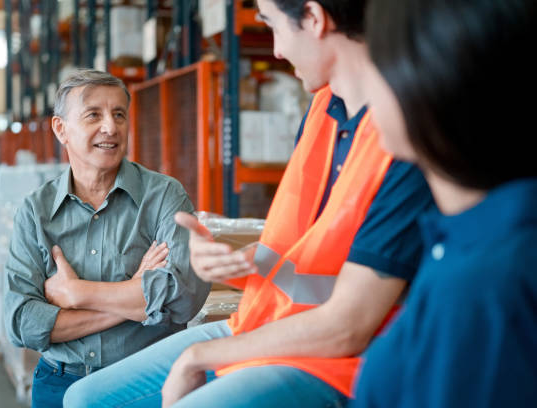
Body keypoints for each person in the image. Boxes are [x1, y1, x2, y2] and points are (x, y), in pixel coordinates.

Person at [63, 1, 435, 407]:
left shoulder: (401, 138)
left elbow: (349, 325)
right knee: (83, 399)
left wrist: (197, 356)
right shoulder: (322, 113)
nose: (276, 50)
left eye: (273, 26)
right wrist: (237, 260)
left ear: (313, 18)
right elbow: (313, 254)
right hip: (266, 321)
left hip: (338, 358)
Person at [351, 0, 537, 407]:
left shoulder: (486, 287)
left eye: (376, 62)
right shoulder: (471, 237)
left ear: (430, 77)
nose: (366, 87)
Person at [3, 69, 210, 408]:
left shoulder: (163, 196)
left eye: (119, 115)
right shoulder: (35, 212)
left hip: (146, 381)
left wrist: (76, 293)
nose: (110, 127)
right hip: (59, 384)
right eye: (93, 115)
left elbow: (183, 297)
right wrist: (134, 299)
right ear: (61, 129)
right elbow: (21, 322)